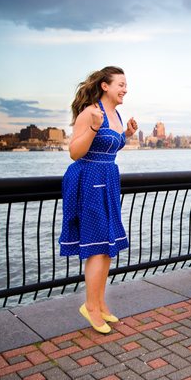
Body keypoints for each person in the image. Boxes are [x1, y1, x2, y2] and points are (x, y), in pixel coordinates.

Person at [59, 66, 138, 334]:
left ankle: (100, 303)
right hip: (89, 177)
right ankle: (90, 307)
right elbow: (74, 152)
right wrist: (93, 126)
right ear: (105, 86)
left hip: (108, 178)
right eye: (121, 84)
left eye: (126, 85)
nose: (125, 89)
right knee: (97, 246)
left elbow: (108, 145)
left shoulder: (116, 114)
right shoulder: (91, 112)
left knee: (107, 245)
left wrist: (126, 134)